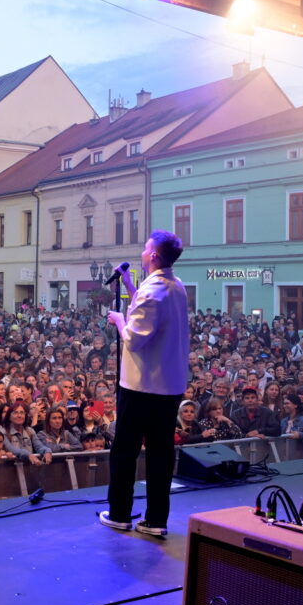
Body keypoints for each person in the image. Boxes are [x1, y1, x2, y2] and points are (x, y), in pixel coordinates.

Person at [101, 230, 190, 538]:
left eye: (145, 248)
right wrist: (128, 284)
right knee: (160, 454)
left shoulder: (154, 291)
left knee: (125, 450)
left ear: (153, 255)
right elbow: (148, 308)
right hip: (169, 386)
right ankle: (155, 520)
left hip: (141, 386)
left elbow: (134, 339)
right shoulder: (175, 285)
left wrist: (118, 320)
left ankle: (119, 514)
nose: (141, 252)